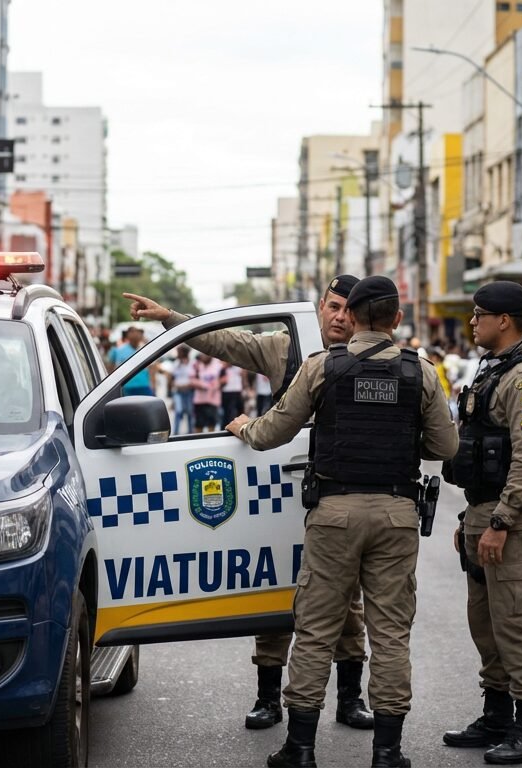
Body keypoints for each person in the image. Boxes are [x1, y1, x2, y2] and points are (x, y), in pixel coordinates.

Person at [126, 276, 381, 732]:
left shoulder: (371, 355)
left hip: (340, 494)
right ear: (320, 306)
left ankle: (349, 697)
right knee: (277, 592)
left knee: (347, 600)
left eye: (350, 309)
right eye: (334, 306)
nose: (340, 317)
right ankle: (269, 698)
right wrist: (169, 318)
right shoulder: (285, 348)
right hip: (282, 491)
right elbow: (227, 341)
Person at [227, 276, 457, 768]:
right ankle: (388, 753)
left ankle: (301, 749)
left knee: (314, 629)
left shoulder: (321, 369)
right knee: (391, 632)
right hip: (397, 515)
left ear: (350, 317)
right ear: (398, 319)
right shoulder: (422, 374)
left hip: (333, 515)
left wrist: (243, 427)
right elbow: (445, 447)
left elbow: (271, 433)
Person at [442, 281, 522, 766]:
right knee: (485, 622)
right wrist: (470, 517)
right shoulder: (495, 371)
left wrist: (500, 521)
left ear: (504, 321)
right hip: (484, 512)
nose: (472, 323)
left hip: (513, 519)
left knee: (517, 622)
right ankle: (496, 714)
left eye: (478, 315)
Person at [107, 326, 156, 397]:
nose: (135, 334)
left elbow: (152, 369)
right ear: (127, 335)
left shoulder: (146, 350)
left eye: (138, 331)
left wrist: (153, 387)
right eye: (132, 331)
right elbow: (110, 368)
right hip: (126, 387)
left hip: (144, 386)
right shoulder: (118, 350)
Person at [190, 353, 224, 433]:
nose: (203, 356)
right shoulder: (196, 364)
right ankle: (198, 443)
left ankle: (211, 444)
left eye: (205, 354)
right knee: (198, 424)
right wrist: (203, 385)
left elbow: (224, 378)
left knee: (211, 424)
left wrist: (216, 385)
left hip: (213, 401)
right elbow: (191, 380)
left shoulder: (218, 364)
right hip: (199, 400)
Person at [169, 345, 195, 434]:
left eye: (179, 351)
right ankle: (176, 433)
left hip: (190, 391)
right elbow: (172, 378)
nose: (178, 354)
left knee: (190, 412)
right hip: (178, 392)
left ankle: (191, 433)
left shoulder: (192, 363)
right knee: (178, 412)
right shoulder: (176, 363)